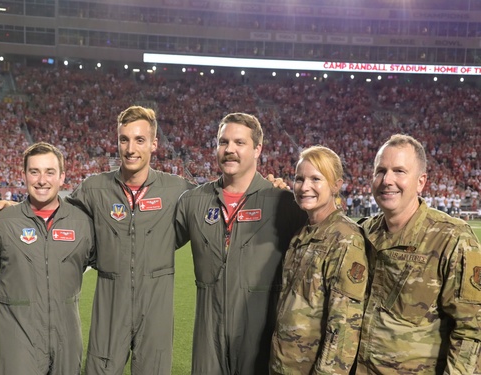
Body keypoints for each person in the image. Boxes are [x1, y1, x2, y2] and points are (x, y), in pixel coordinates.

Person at [174, 112, 307, 375]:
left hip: (260, 336)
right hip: (207, 336)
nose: (229, 150)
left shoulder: (284, 204)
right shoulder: (193, 202)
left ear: (258, 149)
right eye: (223, 142)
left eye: (239, 143)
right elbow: (154, 245)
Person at [66, 106, 195, 374]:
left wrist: (266, 189)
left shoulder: (177, 189)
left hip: (156, 302)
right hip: (111, 300)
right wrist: (16, 208)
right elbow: (56, 214)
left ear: (154, 144)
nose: (130, 148)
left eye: (139, 140)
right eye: (124, 139)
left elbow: (220, 200)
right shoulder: (94, 188)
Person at [355, 134, 481, 374]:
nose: (387, 180)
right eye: (380, 171)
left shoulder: (452, 239)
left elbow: (471, 332)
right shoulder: (363, 232)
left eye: (399, 171)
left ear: (421, 182)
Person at [0, 142, 95, 374]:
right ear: (24, 175)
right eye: (34, 171)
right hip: (18, 340)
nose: (41, 180)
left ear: (62, 177)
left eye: (50, 172)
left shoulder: (83, 223)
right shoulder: (3, 222)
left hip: (66, 338)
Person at [269, 146, 368, 374]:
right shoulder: (301, 234)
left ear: (336, 185)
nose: (305, 187)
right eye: (299, 178)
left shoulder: (345, 239)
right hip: (283, 365)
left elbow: (344, 329)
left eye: (316, 179)